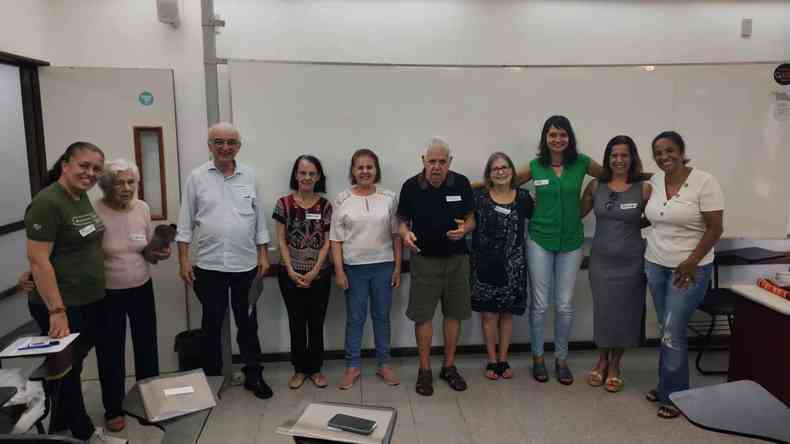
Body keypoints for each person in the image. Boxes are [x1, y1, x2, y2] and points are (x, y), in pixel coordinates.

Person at [23, 141, 125, 443]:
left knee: (74, 365)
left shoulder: (80, 198)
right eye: (84, 166)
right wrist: (56, 310)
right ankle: (82, 433)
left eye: (96, 169)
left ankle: (60, 423)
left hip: (90, 299)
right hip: (63, 305)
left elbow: (66, 248)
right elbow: (39, 260)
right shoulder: (48, 201)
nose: (91, 173)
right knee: (65, 371)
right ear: (65, 164)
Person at [176, 122, 272, 399]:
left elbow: (259, 220)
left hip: (246, 266)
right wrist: (183, 260)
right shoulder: (196, 177)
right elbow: (184, 223)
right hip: (209, 266)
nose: (225, 147)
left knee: (248, 324)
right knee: (212, 325)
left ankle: (254, 375)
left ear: (238, 146)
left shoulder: (250, 176)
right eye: (219, 142)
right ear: (210, 145)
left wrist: (264, 254)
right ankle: (212, 379)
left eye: (231, 142)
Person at [513, 115, 603, 385]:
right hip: (539, 240)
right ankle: (538, 357)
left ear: (569, 137)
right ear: (545, 138)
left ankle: (561, 359)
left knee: (564, 306)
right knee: (540, 305)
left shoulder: (582, 163)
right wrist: (473, 186)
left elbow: (615, 176)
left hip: (572, 242)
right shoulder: (535, 166)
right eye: (552, 135)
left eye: (562, 134)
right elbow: (504, 181)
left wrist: (650, 178)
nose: (558, 139)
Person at [643, 131, 723, 418]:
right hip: (655, 263)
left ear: (681, 151)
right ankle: (667, 386)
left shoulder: (704, 181)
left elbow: (715, 228)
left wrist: (691, 262)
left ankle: (676, 395)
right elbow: (651, 216)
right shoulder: (654, 181)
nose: (664, 157)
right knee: (666, 330)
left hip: (688, 269)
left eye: (670, 151)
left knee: (673, 332)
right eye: (659, 153)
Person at [92, 159, 170, 431]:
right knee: (110, 351)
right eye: (119, 183)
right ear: (106, 185)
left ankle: (148, 402)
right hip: (108, 292)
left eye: (131, 182)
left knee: (147, 347)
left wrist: (159, 252)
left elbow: (145, 250)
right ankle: (113, 408)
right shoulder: (94, 210)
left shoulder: (143, 208)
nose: (126, 188)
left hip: (141, 286)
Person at [398, 137, 475, 396]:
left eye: (442, 162)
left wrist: (465, 228)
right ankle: (424, 370)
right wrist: (405, 234)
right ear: (423, 161)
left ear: (450, 163)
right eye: (432, 161)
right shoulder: (410, 187)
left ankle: (449, 367)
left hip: (457, 261)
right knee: (424, 316)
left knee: (454, 315)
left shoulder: (461, 183)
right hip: (424, 261)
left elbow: (471, 218)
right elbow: (401, 221)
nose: (437, 167)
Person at [580, 136, 651, 393]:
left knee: (625, 313)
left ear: (632, 158)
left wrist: (632, 225)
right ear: (607, 158)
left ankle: (615, 364)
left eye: (624, 155)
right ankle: (601, 360)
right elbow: (576, 213)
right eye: (614, 155)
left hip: (632, 261)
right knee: (605, 311)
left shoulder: (644, 188)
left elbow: (656, 217)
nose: (618, 160)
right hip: (601, 260)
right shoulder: (595, 186)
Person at [330, 148, 402, 389]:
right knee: (355, 318)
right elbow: (336, 239)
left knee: (382, 317)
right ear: (353, 171)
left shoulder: (389, 197)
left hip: (383, 266)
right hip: (354, 269)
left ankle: (384, 364)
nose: (365, 171)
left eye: (369, 167)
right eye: (360, 167)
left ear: (376, 170)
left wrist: (397, 266)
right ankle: (352, 367)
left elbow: (396, 235)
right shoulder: (342, 199)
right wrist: (339, 271)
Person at [471, 152, 533, 380]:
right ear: (489, 174)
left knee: (507, 315)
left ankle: (504, 358)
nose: (501, 172)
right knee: (488, 315)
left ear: (512, 171)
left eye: (505, 167)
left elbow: (538, 221)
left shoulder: (524, 198)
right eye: (495, 169)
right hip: (485, 265)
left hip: (514, 266)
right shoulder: (479, 197)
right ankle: (491, 360)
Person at [273, 155, 333, 390]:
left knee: (316, 323)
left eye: (312, 173)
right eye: (302, 173)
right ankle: (299, 370)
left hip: (319, 275)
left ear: (318, 177)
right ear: (295, 175)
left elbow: (328, 242)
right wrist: (291, 270)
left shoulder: (326, 205)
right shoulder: (283, 204)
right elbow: (281, 239)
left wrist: (314, 271)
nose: (307, 177)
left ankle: (315, 370)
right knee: (296, 323)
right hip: (289, 275)